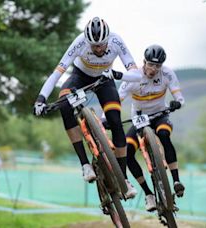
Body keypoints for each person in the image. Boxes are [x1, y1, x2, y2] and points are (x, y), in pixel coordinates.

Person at [33, 17, 138, 198]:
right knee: (64, 105)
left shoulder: (116, 41)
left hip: (106, 79)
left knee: (115, 121)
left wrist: (117, 74)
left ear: (107, 40)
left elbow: (137, 75)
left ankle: (124, 179)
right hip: (80, 77)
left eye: (101, 45)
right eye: (93, 46)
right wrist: (40, 99)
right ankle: (85, 164)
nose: (98, 49)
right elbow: (57, 72)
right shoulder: (80, 42)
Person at [116, 44, 185, 211]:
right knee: (128, 152)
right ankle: (148, 194)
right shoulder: (133, 77)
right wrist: (106, 118)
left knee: (163, 134)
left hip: (160, 115)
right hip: (139, 119)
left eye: (158, 65)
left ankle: (176, 180)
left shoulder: (167, 74)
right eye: (151, 64)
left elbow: (180, 98)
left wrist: (177, 103)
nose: (154, 69)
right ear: (144, 62)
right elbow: (117, 100)